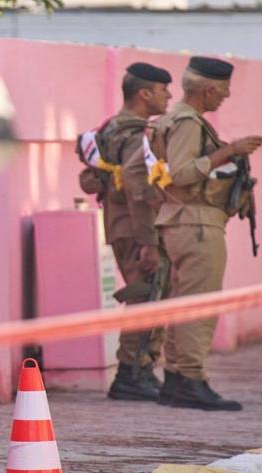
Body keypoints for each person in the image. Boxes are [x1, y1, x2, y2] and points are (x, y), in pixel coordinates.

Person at [149, 57, 262, 411]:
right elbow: (182, 173)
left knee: (183, 303)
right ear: (209, 89)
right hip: (195, 222)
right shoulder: (186, 122)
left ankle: (176, 379)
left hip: (182, 220)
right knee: (201, 303)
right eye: (223, 94)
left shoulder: (173, 119)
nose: (223, 100)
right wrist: (229, 151)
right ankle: (191, 380)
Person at [87, 62, 173, 402]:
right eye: (163, 90)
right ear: (145, 93)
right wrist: (150, 243)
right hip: (137, 228)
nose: (168, 96)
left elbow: (91, 177)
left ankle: (139, 371)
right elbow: (139, 190)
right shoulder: (138, 133)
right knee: (147, 294)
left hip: (119, 224)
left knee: (147, 293)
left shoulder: (109, 128)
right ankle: (131, 373)